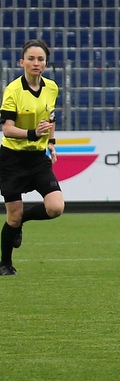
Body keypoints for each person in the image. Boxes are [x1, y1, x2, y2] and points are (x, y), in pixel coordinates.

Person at [0, 38, 65, 276]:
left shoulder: (52, 87)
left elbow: (51, 118)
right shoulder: (13, 91)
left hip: (37, 158)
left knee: (56, 207)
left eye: (40, 59)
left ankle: (21, 222)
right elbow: (7, 129)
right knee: (12, 217)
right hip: (12, 159)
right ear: (22, 62)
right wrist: (31, 133)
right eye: (31, 59)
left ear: (45, 64)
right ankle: (5, 264)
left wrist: (51, 142)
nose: (35, 63)